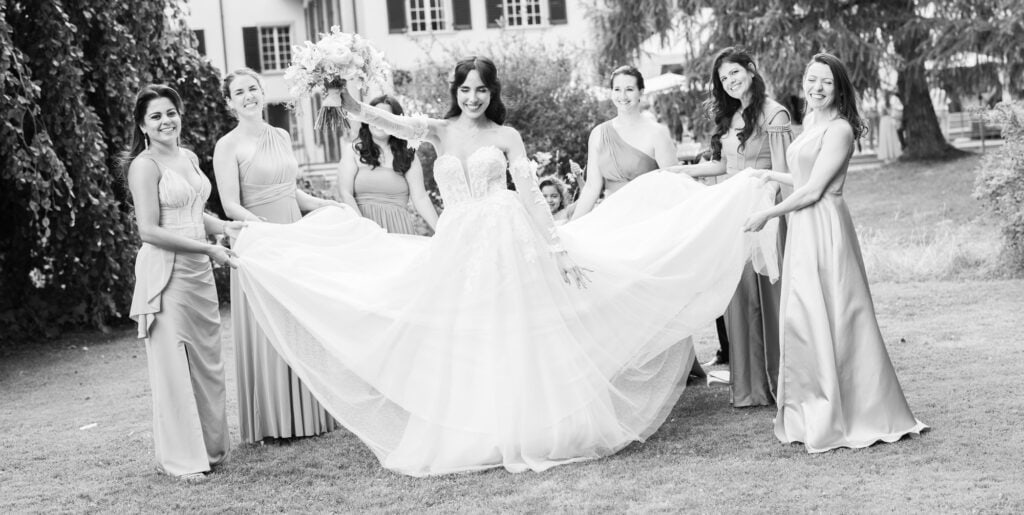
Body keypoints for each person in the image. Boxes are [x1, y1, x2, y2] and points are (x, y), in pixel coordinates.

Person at [230, 56, 781, 476]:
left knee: (521, 330)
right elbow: (373, 117)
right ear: (456, 93)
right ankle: (478, 425)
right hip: (460, 244)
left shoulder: (506, 135)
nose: (472, 97)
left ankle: (538, 424)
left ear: (492, 93)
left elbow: (530, 194)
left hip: (509, 237)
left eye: (481, 89)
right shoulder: (437, 130)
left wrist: (558, 248)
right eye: (464, 89)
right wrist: (337, 87)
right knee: (465, 332)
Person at [743, 53, 928, 452]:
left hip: (825, 226)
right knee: (805, 315)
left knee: (837, 315)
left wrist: (767, 214)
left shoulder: (841, 128)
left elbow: (814, 190)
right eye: (811, 80)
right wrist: (768, 175)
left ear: (839, 87)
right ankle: (813, 407)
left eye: (826, 81)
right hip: (803, 227)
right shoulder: (810, 122)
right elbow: (804, 177)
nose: (817, 88)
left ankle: (855, 410)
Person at [212, 68, 342, 444]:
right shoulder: (227, 145)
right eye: (240, 92)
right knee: (268, 326)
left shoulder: (281, 135)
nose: (249, 95)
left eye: (253, 88)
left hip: (292, 235)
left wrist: (323, 204)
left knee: (299, 320)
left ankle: (310, 414)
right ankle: (278, 421)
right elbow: (230, 204)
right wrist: (266, 233)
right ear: (229, 102)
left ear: (262, 91)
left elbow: (292, 192)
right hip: (259, 240)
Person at [123, 84, 244, 481]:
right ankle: (182, 459)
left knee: (208, 363)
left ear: (180, 114)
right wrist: (207, 249)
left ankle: (210, 448)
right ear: (143, 125)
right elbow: (148, 230)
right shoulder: (145, 166)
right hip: (168, 272)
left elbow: (195, 209)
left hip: (199, 274)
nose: (165, 121)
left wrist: (224, 226)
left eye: (170, 112)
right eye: (155, 116)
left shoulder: (188, 157)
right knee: (175, 366)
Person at [671, 47, 791, 408]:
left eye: (735, 73)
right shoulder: (731, 115)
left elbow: (787, 173)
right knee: (740, 297)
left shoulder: (775, 114)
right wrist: (683, 171)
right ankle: (750, 387)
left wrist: (786, 217)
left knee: (769, 298)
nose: (730, 81)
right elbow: (722, 166)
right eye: (724, 78)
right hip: (734, 215)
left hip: (766, 213)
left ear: (751, 70)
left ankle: (779, 381)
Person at [571, 66, 679, 219]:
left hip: (647, 218)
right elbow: (591, 187)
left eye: (629, 89)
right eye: (617, 89)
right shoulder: (598, 134)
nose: (622, 95)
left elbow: (674, 184)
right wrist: (573, 224)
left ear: (641, 92)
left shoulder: (657, 133)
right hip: (610, 216)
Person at [337, 95, 438, 234]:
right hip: (361, 229)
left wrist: (441, 231)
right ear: (366, 119)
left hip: (398, 230)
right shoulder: (353, 150)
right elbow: (345, 193)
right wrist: (362, 228)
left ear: (395, 122)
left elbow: (420, 198)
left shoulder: (409, 156)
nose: (379, 122)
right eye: (375, 116)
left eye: (385, 118)